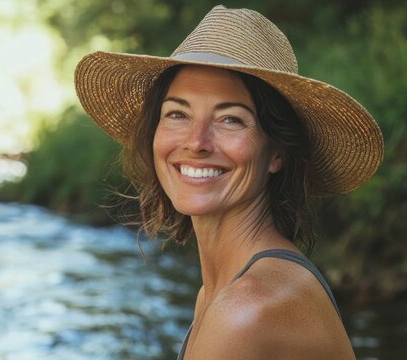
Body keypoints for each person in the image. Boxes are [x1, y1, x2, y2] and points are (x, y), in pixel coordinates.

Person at [74, 5, 383, 360]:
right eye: (178, 113)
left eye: (231, 120)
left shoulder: (245, 309)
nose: (196, 142)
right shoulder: (219, 292)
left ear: (278, 152)